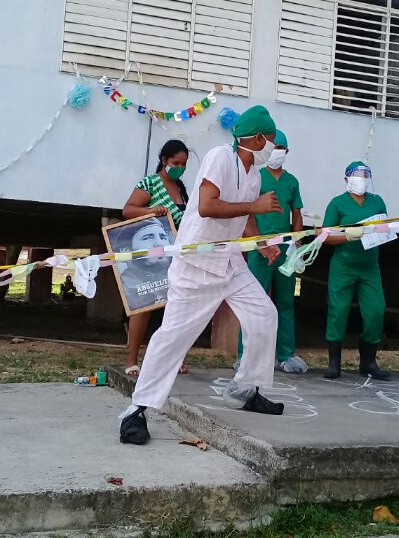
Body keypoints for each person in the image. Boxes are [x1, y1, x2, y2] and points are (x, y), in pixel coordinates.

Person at [119, 105, 286, 445]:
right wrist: (254, 207)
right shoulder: (220, 157)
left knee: (265, 315)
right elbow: (207, 206)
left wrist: (262, 243)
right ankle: (137, 410)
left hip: (229, 262)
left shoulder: (253, 173)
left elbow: (244, 219)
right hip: (196, 264)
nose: (274, 146)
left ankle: (243, 389)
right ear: (256, 138)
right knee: (174, 338)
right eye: (271, 139)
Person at [237, 130, 307, 374]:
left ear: (286, 152)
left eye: (280, 148)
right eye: (273, 146)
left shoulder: (292, 182)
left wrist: (297, 243)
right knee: (252, 301)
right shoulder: (257, 177)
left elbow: (296, 214)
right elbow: (247, 212)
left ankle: (285, 354)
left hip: (286, 250)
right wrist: (258, 241)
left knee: (286, 302)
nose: (276, 152)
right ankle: (244, 355)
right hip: (260, 247)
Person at [120, 140, 190, 376]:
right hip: (149, 255)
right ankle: (132, 360)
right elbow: (128, 210)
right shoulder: (149, 183)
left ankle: (172, 359)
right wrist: (151, 210)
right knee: (144, 307)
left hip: (175, 256)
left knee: (175, 308)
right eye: (175, 163)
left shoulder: (182, 189)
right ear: (164, 160)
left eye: (183, 164)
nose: (179, 167)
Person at [322, 161, 390, 381]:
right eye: (356, 175)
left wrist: (380, 231)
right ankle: (334, 363)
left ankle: (368, 361)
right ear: (346, 179)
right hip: (344, 264)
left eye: (365, 175)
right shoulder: (337, 204)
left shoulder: (377, 202)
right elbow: (326, 236)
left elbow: (384, 229)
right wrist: (348, 236)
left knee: (375, 310)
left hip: (370, 265)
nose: (361, 179)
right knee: (338, 310)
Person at [113, 217, 175, 311]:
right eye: (147, 238)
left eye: (163, 237)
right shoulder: (125, 286)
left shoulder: (176, 276)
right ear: (125, 251)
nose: (159, 244)